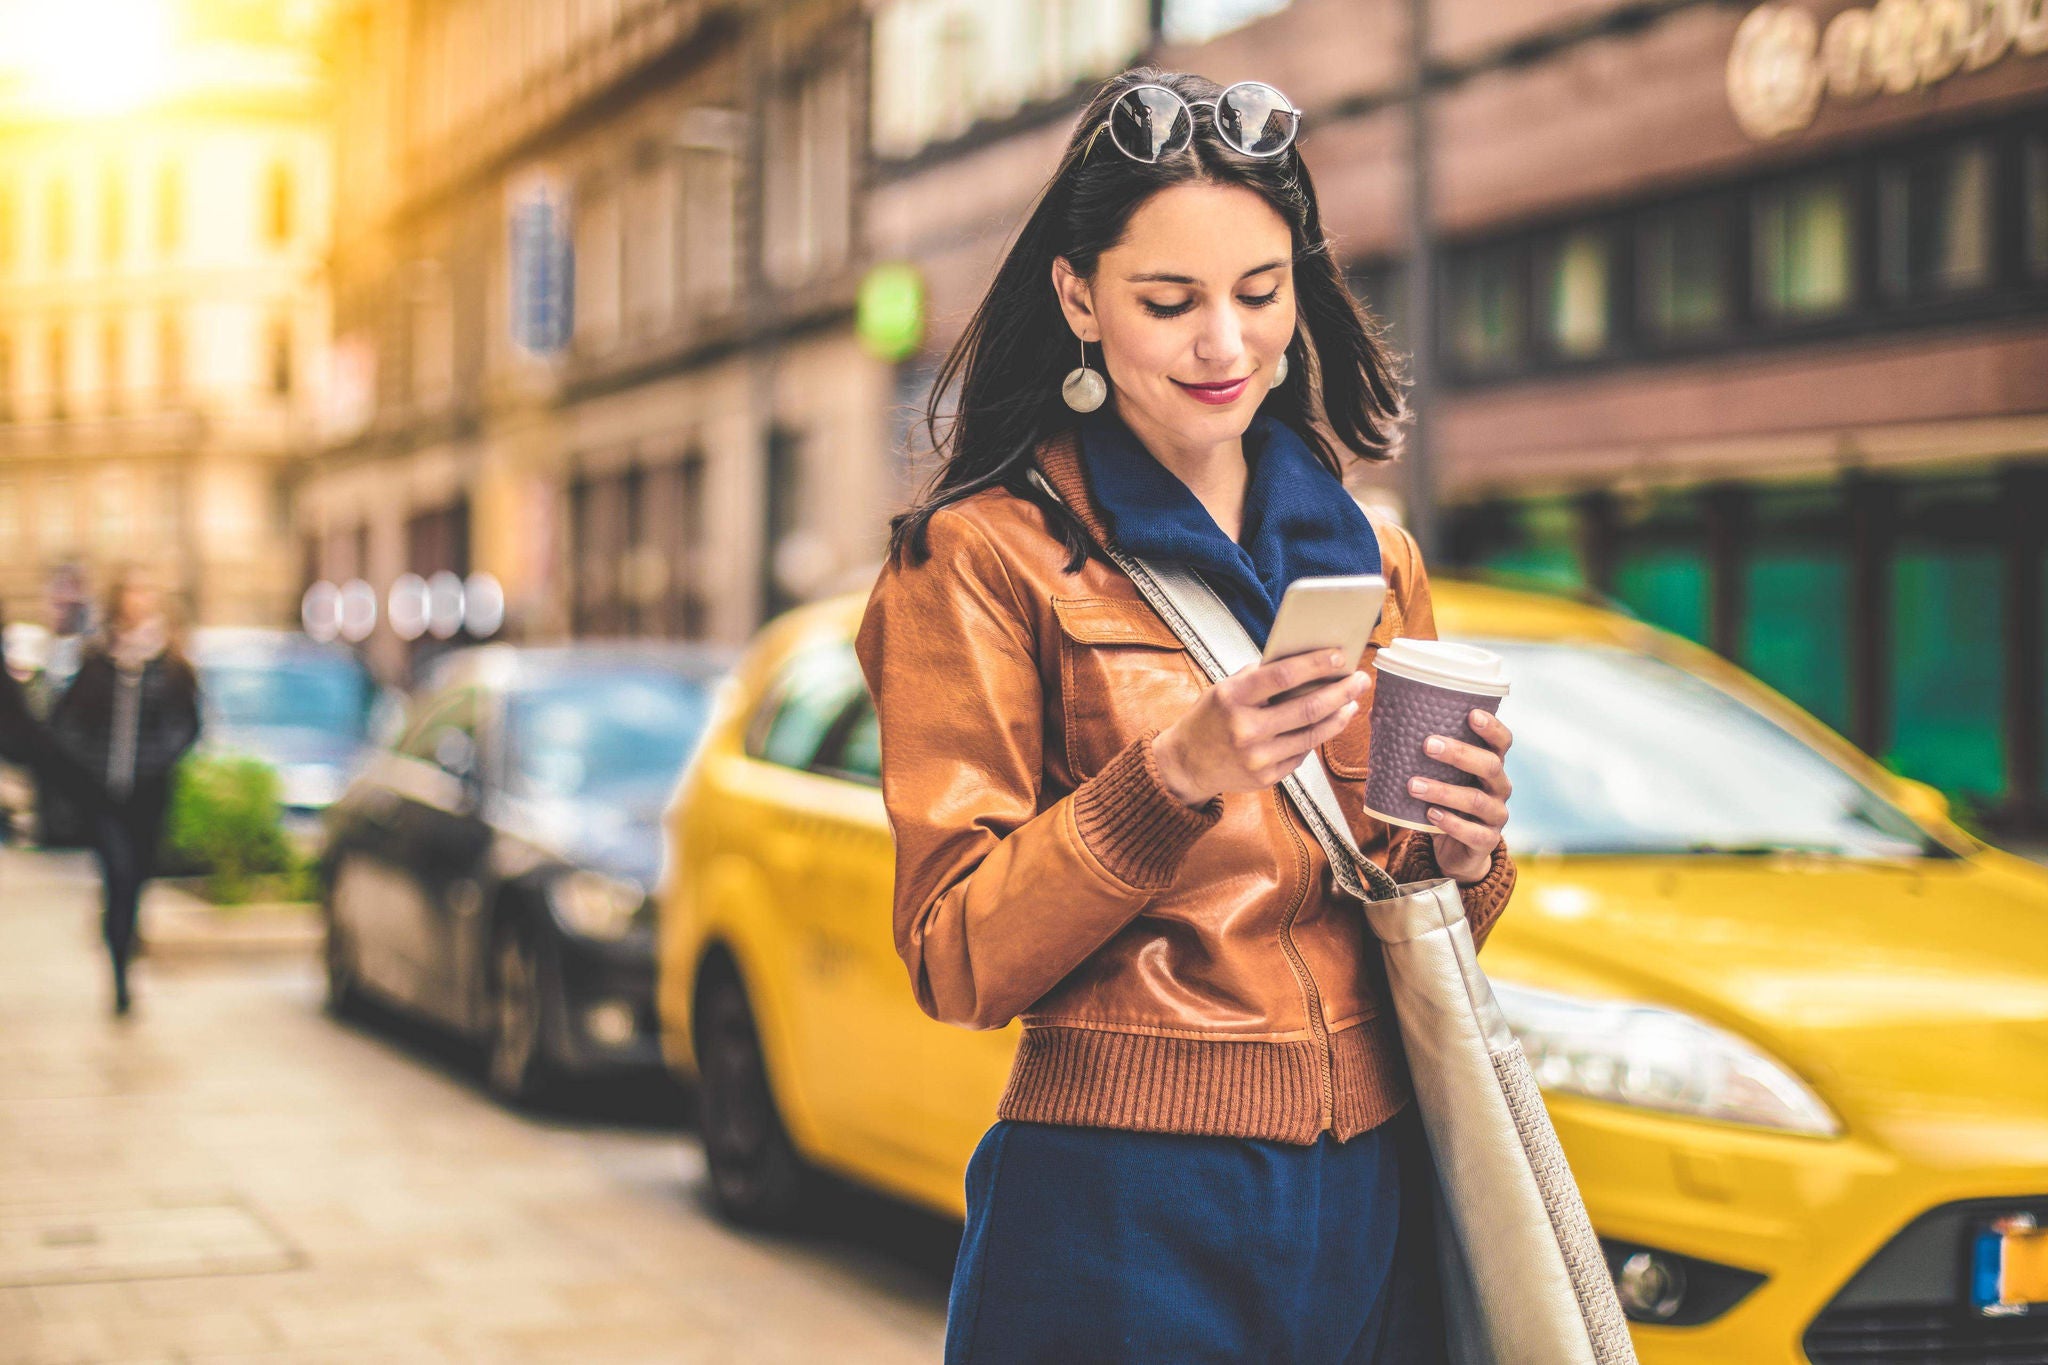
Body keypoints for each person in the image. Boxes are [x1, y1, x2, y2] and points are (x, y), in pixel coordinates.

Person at [854, 69, 1519, 1363]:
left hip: (1373, 1188)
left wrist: (1463, 851)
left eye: (1259, 293)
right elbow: (955, 954)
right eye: (1171, 302)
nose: (1226, 344)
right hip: (1119, 1208)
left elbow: (1412, 914)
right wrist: (1174, 775)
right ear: (1078, 299)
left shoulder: (1372, 559)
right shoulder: (979, 558)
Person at [50, 566, 202, 1015]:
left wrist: (158, 759)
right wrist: (89, 764)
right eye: (132, 593)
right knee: (116, 874)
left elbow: (188, 723)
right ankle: (119, 975)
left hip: (149, 793)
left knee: (137, 878)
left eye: (145, 593)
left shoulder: (171, 661)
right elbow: (67, 721)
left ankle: (124, 935)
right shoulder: (96, 658)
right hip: (105, 796)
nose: (138, 601)